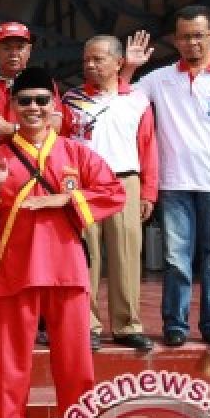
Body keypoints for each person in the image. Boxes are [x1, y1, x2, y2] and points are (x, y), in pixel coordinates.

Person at [0, 67, 126, 418]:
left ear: (55, 105)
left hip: (67, 269)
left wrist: (64, 202)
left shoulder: (77, 153)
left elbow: (113, 193)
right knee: (9, 358)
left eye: (42, 100)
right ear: (12, 106)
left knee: (75, 361)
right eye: (25, 101)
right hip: (15, 267)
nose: (34, 108)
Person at [125, 6, 210, 349]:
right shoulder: (159, 79)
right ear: (176, 40)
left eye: (198, 36)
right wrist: (129, 66)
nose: (192, 43)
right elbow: (124, 102)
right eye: (185, 37)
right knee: (177, 258)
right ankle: (175, 324)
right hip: (174, 184)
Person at [61, 34, 158, 352]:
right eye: (87, 59)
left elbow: (148, 147)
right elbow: (61, 146)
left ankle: (127, 324)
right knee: (86, 256)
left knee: (126, 254)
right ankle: (86, 324)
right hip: (84, 183)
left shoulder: (138, 99)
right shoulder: (71, 100)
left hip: (124, 181)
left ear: (119, 62)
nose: (90, 64)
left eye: (98, 59)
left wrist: (148, 191)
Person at [0, 22, 62, 141]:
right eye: (7, 48)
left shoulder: (43, 82)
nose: (14, 54)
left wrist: (12, 129)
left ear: (29, 50)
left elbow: (56, 126)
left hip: (33, 156)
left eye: (20, 47)